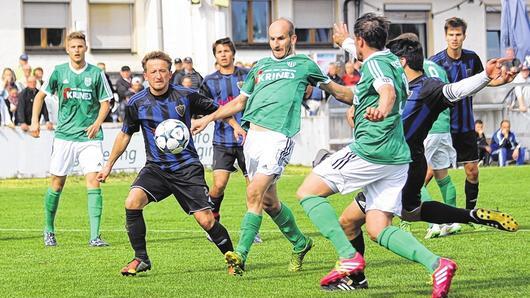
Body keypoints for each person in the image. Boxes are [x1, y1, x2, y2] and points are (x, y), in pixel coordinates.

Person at [324, 27, 519, 294]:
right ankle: (471, 216)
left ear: (401, 62)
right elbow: (370, 57)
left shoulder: (428, 88)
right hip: (396, 162)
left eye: (391, 60)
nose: (385, 64)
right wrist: (347, 42)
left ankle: (429, 266)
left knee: (373, 226)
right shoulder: (398, 85)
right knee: (402, 213)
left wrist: (485, 76)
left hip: (399, 165)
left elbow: (456, 89)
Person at [191, 18, 353, 276]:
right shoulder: (260, 67)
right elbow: (239, 102)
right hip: (252, 139)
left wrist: (369, 98)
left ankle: (240, 256)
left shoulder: (305, 65)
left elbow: (339, 92)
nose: (276, 43)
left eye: (281, 38)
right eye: (272, 38)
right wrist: (208, 118)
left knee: (253, 192)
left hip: (279, 139)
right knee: (269, 202)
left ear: (293, 39)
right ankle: (300, 243)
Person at [96, 50, 236, 276]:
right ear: (146, 75)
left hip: (187, 168)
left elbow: (218, 109)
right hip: (156, 169)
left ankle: (233, 258)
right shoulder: (136, 103)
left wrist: (235, 126)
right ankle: (141, 258)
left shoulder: (186, 95)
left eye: (163, 71)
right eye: (153, 71)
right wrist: (108, 165)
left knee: (207, 220)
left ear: (170, 74)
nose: (158, 75)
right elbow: (124, 135)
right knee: (132, 202)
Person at [29, 31, 113, 247]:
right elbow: (40, 96)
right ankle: (49, 230)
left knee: (94, 182)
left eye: (80, 46)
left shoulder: (96, 73)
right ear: (67, 49)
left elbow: (106, 102)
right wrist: (34, 122)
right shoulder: (59, 72)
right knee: (57, 183)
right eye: (73, 46)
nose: (77, 50)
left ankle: (95, 236)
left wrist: (97, 123)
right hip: (64, 136)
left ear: (85, 48)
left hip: (89, 137)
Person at [200, 37, 262, 244]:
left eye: (227, 51)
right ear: (215, 56)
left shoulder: (247, 76)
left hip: (250, 140)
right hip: (222, 140)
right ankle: (213, 224)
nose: (224, 54)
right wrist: (233, 125)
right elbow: (210, 109)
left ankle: (251, 231)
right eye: (219, 52)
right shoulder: (209, 81)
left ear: (233, 53)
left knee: (252, 187)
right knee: (218, 186)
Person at [430, 17, 485, 218]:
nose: (454, 38)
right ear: (445, 36)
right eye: (451, 35)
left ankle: (469, 213)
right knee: (426, 175)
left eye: (458, 34)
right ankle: (411, 214)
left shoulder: (472, 59)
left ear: (464, 36)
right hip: (440, 128)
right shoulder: (434, 63)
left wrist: (501, 79)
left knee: (472, 172)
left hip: (465, 126)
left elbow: (484, 81)